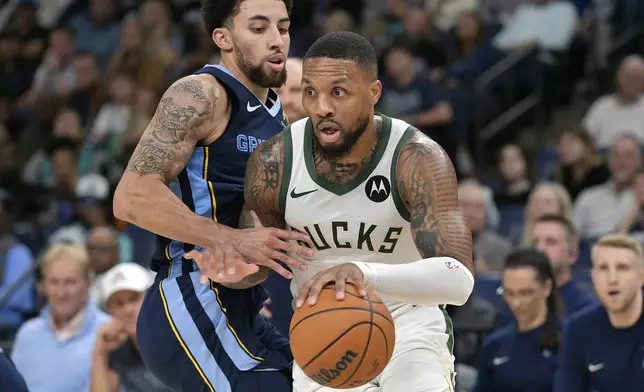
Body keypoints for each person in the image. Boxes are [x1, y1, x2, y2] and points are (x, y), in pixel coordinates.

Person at [208, 30, 475, 392]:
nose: (322, 108)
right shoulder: (275, 162)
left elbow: (458, 280)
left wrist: (363, 273)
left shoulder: (417, 158)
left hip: (410, 325)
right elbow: (257, 262)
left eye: (338, 92)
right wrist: (235, 270)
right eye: (310, 92)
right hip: (321, 329)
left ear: (374, 93)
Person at [112, 0, 314, 391]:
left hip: (244, 308)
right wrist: (227, 238)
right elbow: (131, 197)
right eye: (258, 29)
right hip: (190, 298)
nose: (276, 41)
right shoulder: (202, 93)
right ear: (222, 37)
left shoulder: (277, 114)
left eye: (283, 28)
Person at [553, 234, 644, 392]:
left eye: (622, 268)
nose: (612, 279)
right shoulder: (578, 329)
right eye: (603, 268)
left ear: (641, 276)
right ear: (594, 277)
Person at [474, 249, 562, 392]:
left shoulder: (570, 342)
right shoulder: (495, 345)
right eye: (509, 293)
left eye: (525, 293)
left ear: (546, 287)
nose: (516, 303)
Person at [90, 263, 169, 392]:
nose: (128, 309)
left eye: (134, 299)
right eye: (119, 304)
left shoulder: (179, 341)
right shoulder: (118, 353)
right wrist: (99, 352)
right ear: (110, 313)